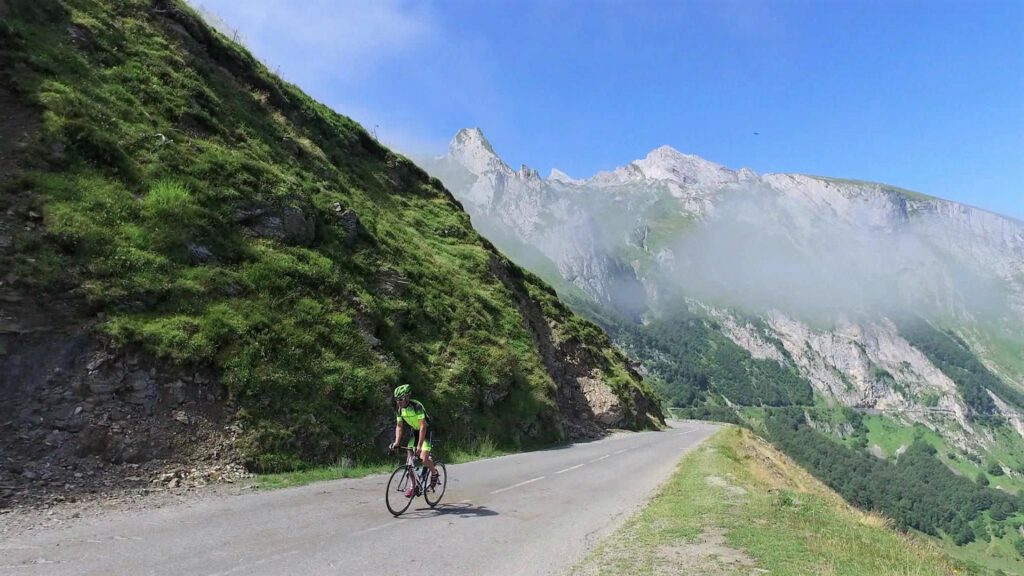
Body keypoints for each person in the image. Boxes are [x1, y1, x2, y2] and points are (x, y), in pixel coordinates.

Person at [389, 385, 439, 497]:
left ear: (407, 397)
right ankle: (412, 486)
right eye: (397, 399)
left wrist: (420, 446)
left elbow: (423, 426)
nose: (399, 402)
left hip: (426, 431)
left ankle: (434, 473)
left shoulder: (417, 406)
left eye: (401, 399)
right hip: (416, 432)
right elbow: (399, 426)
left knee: (423, 458)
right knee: (409, 462)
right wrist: (396, 442)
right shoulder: (399, 409)